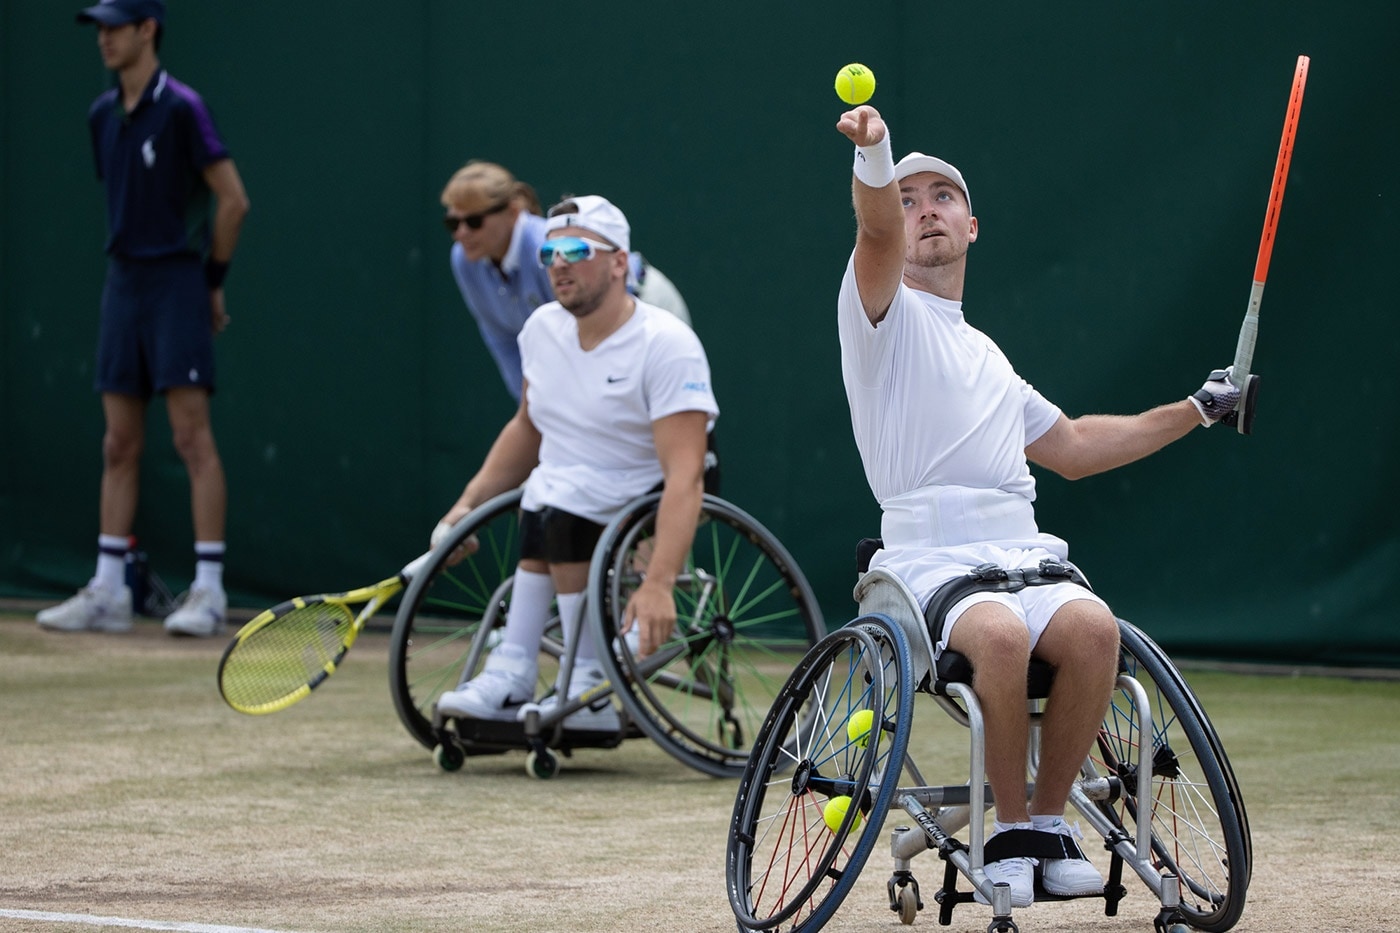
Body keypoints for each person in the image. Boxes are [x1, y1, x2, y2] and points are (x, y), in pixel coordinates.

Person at [834, 105, 1241, 906]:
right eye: (908, 198)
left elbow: (1080, 446)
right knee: (996, 631)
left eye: (941, 196)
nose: (923, 210)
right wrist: (874, 155)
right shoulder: (877, 310)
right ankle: (1008, 828)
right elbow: (876, 234)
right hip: (929, 562)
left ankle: (1050, 823)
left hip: (1024, 554)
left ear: (973, 225)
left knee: (1094, 628)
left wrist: (1197, 406)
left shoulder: (987, 354)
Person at [432, 195, 718, 731]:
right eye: (548, 253)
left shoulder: (667, 343)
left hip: (649, 489)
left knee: (557, 506)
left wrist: (658, 583)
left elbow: (687, 474)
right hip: (566, 489)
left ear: (618, 262)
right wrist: (465, 508)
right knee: (544, 499)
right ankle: (515, 668)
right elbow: (527, 425)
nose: (558, 262)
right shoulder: (541, 329)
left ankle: (586, 680)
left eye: (574, 249)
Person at [38, 0, 250, 638]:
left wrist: (209, 280)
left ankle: (208, 590)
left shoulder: (183, 107)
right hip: (122, 285)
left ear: (147, 29)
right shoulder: (102, 114)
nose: (103, 40)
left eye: (114, 27)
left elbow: (234, 200)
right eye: (98, 29)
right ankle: (109, 589)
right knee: (118, 443)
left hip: (177, 284)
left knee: (191, 439)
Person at [440, 161, 692, 402]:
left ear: (513, 212)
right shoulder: (464, 259)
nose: (462, 233)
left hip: (644, 301)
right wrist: (533, 413)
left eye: (474, 222)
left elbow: (599, 321)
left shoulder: (543, 247)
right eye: (453, 223)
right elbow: (501, 337)